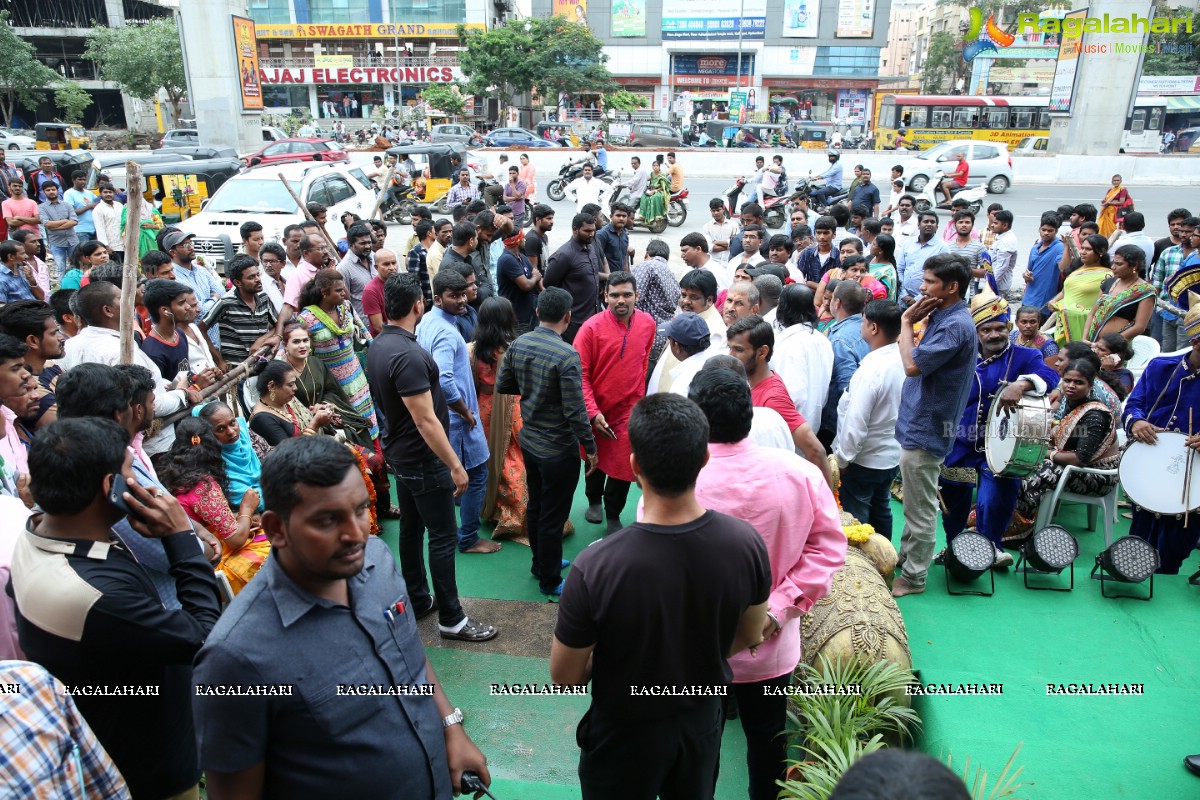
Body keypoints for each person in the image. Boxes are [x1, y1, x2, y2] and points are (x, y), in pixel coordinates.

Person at [192, 435, 492, 799]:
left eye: (361, 509)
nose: (355, 534)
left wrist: (450, 728)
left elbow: (409, 654)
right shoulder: (234, 658)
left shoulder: (377, 559)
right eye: (327, 520)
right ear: (275, 529)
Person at [551, 393, 769, 800]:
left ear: (634, 466)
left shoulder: (595, 567)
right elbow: (752, 633)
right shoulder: (746, 544)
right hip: (701, 724)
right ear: (704, 460)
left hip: (622, 730)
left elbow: (565, 675)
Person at [10, 417, 220, 800]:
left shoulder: (38, 531)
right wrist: (182, 541)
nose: (143, 485)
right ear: (111, 488)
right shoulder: (93, 595)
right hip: (152, 768)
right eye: (133, 474)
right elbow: (203, 637)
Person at [687, 364, 844, 800]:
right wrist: (778, 608)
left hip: (697, 651)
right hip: (771, 652)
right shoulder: (800, 474)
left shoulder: (678, 481)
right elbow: (829, 550)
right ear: (750, 413)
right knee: (769, 744)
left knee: (699, 751)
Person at [367, 272, 497, 639]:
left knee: (411, 529)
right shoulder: (407, 354)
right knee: (441, 536)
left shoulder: (381, 344)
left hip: (402, 456)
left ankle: (419, 598)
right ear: (418, 305)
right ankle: (452, 618)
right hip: (423, 459)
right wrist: (455, 465)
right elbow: (425, 420)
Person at [936, 292, 1060, 566]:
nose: (995, 334)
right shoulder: (961, 355)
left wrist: (1022, 384)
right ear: (976, 332)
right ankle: (956, 550)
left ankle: (989, 548)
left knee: (994, 502)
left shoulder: (1025, 356)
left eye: (1000, 328)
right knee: (953, 501)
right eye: (987, 329)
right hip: (960, 443)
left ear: (1009, 328)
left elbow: (1051, 376)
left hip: (1003, 447)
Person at [497, 287, 597, 595]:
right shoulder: (567, 355)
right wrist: (590, 447)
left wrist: (534, 394)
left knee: (538, 507)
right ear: (568, 317)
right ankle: (550, 579)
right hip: (558, 449)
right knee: (553, 515)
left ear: (538, 312)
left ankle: (541, 563)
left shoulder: (519, 343)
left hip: (530, 441)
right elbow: (575, 410)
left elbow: (504, 385)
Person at [892, 255, 978, 597]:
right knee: (915, 500)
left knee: (921, 507)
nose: (922, 287)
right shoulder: (943, 316)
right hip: (920, 422)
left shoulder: (955, 325)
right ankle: (907, 558)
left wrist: (905, 322)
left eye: (928, 282)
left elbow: (912, 365)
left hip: (927, 427)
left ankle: (914, 577)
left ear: (952, 287)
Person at [417, 269, 501, 555]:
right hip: (457, 421)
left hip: (443, 416)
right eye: (454, 296)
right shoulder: (445, 332)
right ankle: (468, 538)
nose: (462, 300)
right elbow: (444, 379)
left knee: (455, 477)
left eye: (463, 294)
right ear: (438, 298)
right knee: (475, 476)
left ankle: (457, 533)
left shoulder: (427, 320)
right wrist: (465, 412)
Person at [575, 271, 656, 533]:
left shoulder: (648, 324)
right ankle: (593, 500)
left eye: (627, 294)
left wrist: (639, 402)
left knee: (623, 466)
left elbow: (643, 364)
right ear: (605, 296)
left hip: (629, 412)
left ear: (637, 296)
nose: (621, 300)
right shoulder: (590, 328)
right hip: (596, 410)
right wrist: (592, 411)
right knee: (594, 461)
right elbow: (581, 375)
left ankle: (613, 513)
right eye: (615, 295)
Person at [1124, 304, 1200, 573]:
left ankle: (1169, 568)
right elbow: (1133, 405)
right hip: (1151, 460)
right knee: (1141, 528)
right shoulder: (1160, 367)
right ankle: (1134, 567)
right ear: (1194, 341)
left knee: (1178, 541)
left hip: (1194, 472)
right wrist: (1137, 421)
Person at [1009, 358, 1120, 543]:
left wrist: (1046, 453)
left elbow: (1080, 459)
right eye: (1067, 380)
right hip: (1074, 466)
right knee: (1022, 463)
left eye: (1079, 382)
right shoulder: (1071, 403)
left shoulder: (1095, 415)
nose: (1071, 386)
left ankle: (1023, 530)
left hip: (1098, 475)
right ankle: (1009, 516)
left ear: (1090, 386)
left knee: (1035, 471)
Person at [160, 417, 272, 594]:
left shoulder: (171, 473)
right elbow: (235, 540)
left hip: (192, 557)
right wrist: (247, 509)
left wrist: (241, 516)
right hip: (214, 560)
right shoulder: (203, 486)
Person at [727, 314, 832, 485]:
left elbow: (816, 450)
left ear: (762, 352)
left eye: (738, 350)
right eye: (729, 348)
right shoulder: (750, 382)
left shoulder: (773, 397)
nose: (730, 356)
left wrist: (828, 504)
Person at [834, 298, 905, 536]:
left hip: (865, 460)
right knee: (881, 506)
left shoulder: (872, 370)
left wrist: (843, 460)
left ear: (873, 328)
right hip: (891, 454)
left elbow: (856, 422)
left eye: (863, 322)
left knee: (857, 516)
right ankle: (885, 558)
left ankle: (866, 567)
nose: (861, 326)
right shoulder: (903, 360)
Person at [468, 297, 530, 540]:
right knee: (514, 457)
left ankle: (492, 510)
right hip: (511, 407)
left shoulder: (472, 349)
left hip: (482, 408)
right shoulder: (514, 348)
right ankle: (517, 512)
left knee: (489, 458)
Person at [298, 268, 378, 440]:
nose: (344, 293)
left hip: (357, 376)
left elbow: (364, 332)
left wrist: (376, 350)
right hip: (332, 382)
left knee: (366, 416)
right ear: (324, 293)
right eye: (339, 290)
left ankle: (377, 457)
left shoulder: (346, 307)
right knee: (346, 423)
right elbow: (305, 354)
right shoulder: (307, 318)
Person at [199, 253, 281, 373]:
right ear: (237, 283)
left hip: (261, 365)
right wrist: (219, 360)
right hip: (235, 370)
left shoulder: (264, 298)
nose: (258, 279)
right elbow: (201, 329)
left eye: (258, 274)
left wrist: (261, 340)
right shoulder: (226, 303)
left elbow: (278, 325)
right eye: (251, 277)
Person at [820, 281, 871, 447]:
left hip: (837, 426)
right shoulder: (867, 329)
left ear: (837, 302)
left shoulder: (840, 340)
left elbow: (846, 391)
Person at [543, 212, 604, 344]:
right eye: (587, 231)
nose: (591, 234)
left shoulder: (591, 248)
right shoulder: (563, 255)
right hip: (573, 323)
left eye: (593, 230)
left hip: (593, 318)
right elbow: (549, 285)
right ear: (575, 229)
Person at [1081, 244, 1154, 343]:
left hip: (1117, 346)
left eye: (1119, 264)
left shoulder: (1145, 291)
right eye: (1113, 263)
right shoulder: (1109, 283)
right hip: (1092, 341)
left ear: (1134, 266)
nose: (1113, 267)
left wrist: (1107, 344)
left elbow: (1139, 327)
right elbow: (1092, 313)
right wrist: (1085, 338)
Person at [1048, 233, 1112, 343]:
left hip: (1084, 324)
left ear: (1101, 252)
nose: (1082, 252)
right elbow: (1066, 291)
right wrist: (1054, 301)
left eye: (1088, 249)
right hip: (1063, 321)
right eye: (1082, 248)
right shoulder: (1076, 269)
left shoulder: (1107, 276)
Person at [632, 238, 680, 375]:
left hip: (645, 339)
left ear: (647, 254)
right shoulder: (671, 275)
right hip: (663, 339)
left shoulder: (647, 266)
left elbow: (634, 297)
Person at [1151, 215, 1199, 351]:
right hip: (1169, 310)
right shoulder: (1189, 256)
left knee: (1182, 352)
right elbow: (1166, 279)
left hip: (1189, 314)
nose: (1186, 236)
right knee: (1166, 351)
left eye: (1192, 234)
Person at [898, 211, 949, 305]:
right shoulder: (908, 243)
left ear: (937, 227)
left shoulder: (942, 247)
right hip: (902, 299)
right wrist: (903, 294)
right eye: (926, 221)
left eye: (932, 222)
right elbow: (899, 269)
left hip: (927, 301)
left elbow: (942, 276)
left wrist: (918, 299)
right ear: (918, 225)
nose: (929, 224)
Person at [1022, 213, 1065, 317]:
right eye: (1043, 229)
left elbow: (1063, 267)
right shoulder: (1035, 248)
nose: (1046, 233)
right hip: (1028, 298)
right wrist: (1026, 275)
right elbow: (1028, 270)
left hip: (1044, 303)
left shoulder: (1059, 247)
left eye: (1050, 231)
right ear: (1039, 229)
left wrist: (1067, 247)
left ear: (1056, 231)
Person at [38, 182, 78, 274]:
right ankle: (62, 287)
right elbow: (47, 224)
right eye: (48, 190)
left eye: (53, 189)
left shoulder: (67, 205)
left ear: (57, 190)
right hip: (56, 242)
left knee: (76, 266)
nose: (51, 192)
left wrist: (55, 227)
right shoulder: (41, 207)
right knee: (60, 268)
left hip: (72, 240)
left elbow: (74, 221)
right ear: (44, 192)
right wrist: (65, 221)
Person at [946, 210, 987, 298]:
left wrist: (965, 270)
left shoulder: (980, 247)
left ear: (972, 225)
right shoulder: (947, 246)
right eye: (960, 222)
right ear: (955, 225)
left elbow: (986, 272)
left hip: (968, 295)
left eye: (967, 222)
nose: (964, 225)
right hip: (947, 295)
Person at [794, 215, 841, 291]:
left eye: (826, 233)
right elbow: (799, 278)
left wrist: (811, 284)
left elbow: (837, 286)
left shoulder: (838, 256)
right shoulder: (807, 253)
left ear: (834, 234)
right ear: (814, 234)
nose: (821, 237)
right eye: (818, 233)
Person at [595, 203, 633, 280]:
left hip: (620, 280)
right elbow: (597, 260)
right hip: (607, 280)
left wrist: (628, 278)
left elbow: (625, 258)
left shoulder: (625, 235)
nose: (621, 218)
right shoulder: (602, 234)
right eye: (618, 215)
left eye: (624, 216)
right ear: (611, 217)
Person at [89, 182, 121, 260]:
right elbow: (100, 229)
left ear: (114, 193)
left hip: (124, 244)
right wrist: (105, 246)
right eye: (105, 192)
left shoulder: (119, 205)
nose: (108, 194)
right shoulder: (98, 209)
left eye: (110, 192)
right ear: (100, 194)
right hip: (112, 246)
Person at [63, 170, 98, 243]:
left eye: (84, 179)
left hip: (94, 229)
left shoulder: (89, 193)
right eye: (80, 179)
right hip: (80, 230)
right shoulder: (69, 194)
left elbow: (98, 203)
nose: (83, 182)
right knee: (83, 253)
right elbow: (70, 212)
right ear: (73, 180)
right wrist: (88, 207)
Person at [1098, 174, 1133, 238]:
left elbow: (1121, 202)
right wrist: (1104, 201)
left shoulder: (1122, 190)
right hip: (1107, 211)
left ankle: (1112, 239)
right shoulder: (1110, 190)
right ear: (1112, 181)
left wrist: (1109, 203)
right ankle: (1105, 238)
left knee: (1112, 227)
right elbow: (1106, 199)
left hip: (1115, 212)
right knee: (1103, 226)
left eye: (1118, 180)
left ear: (1120, 181)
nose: (1116, 182)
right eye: (1115, 180)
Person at [638, 159, 671, 227]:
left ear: (659, 167)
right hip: (651, 190)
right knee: (644, 197)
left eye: (656, 166)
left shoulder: (662, 175)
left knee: (654, 198)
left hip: (660, 191)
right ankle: (643, 216)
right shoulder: (652, 173)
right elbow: (647, 179)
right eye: (654, 166)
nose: (655, 167)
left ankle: (656, 216)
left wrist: (655, 191)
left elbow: (663, 187)